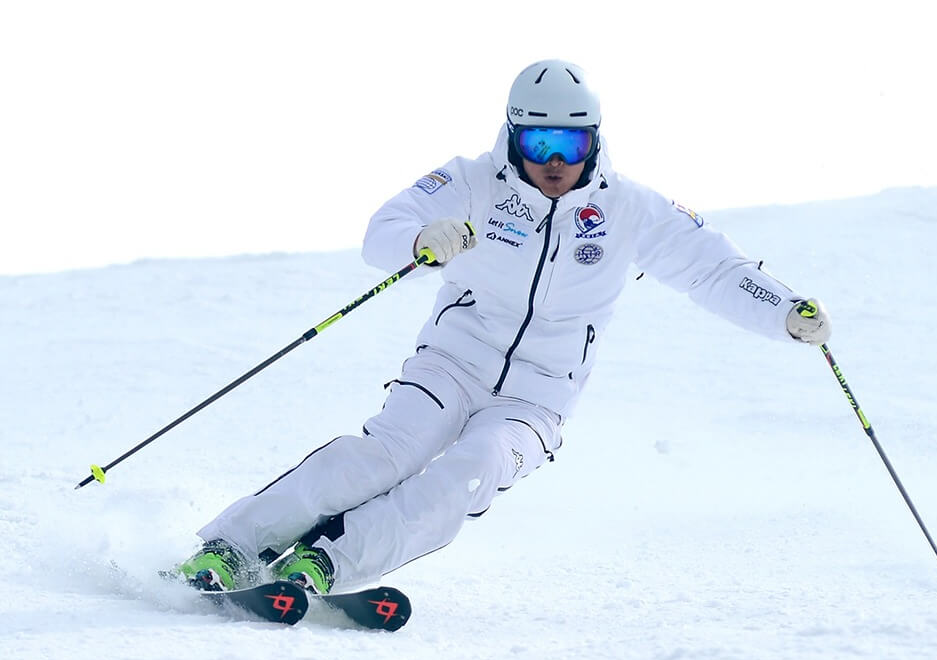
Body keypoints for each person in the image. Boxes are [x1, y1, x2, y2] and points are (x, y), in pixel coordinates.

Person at [179, 59, 832, 594]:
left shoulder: (630, 209)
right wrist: (422, 239)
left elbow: (715, 269)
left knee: (473, 468)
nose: (554, 162)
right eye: (538, 143)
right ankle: (230, 549)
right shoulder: (471, 183)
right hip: (451, 364)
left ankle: (325, 563)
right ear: (513, 137)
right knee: (384, 456)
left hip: (539, 397)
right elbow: (383, 233)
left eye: (571, 145)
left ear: (595, 141)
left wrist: (783, 310)